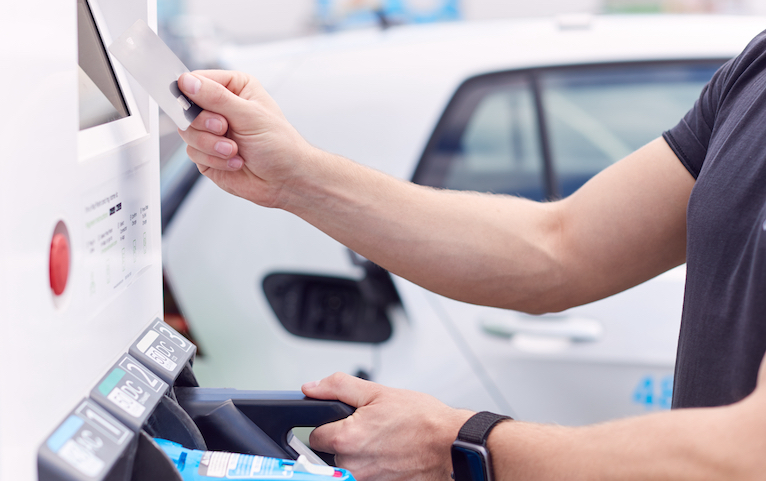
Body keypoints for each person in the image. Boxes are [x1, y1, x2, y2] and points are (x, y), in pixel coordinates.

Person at [172, 30, 766, 480]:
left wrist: (457, 443)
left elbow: (747, 454)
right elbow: (560, 246)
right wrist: (296, 177)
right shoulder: (755, 72)